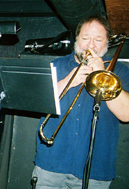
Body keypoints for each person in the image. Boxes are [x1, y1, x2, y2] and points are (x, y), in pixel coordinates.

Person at [33, 15, 129, 188]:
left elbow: (126, 115)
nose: (90, 45)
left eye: (98, 39)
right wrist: (70, 80)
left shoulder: (120, 71)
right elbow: (36, 101)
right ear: (76, 39)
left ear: (107, 43)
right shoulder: (56, 65)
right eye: (85, 38)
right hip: (51, 164)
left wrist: (103, 75)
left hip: (95, 170)